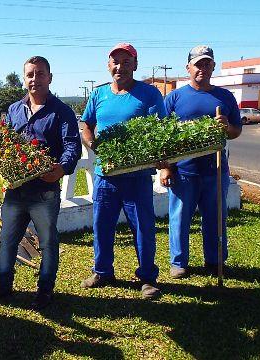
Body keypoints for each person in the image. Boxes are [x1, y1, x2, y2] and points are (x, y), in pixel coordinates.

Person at [0, 56, 81, 310]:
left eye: (40, 74)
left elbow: (72, 147)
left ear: (50, 77)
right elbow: (4, 143)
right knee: (8, 240)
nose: (35, 79)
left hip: (44, 191)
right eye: (30, 75)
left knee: (47, 242)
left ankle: (45, 291)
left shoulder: (62, 111)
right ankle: (3, 286)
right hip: (15, 190)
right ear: (24, 80)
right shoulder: (14, 109)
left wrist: (61, 169)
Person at [79, 43, 166, 300]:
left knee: (143, 228)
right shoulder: (99, 95)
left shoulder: (149, 95)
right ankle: (102, 271)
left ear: (135, 65)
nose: (120, 66)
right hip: (106, 176)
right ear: (108, 66)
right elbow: (87, 123)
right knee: (102, 226)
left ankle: (148, 278)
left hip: (137, 177)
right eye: (115, 61)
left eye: (126, 61)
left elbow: (158, 129)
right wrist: (91, 142)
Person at [160, 45, 242, 279]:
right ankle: (178, 262)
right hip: (183, 172)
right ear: (188, 68)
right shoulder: (175, 98)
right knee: (179, 219)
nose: (202, 69)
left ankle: (215, 260)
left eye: (207, 64)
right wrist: (166, 167)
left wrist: (226, 126)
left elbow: (236, 131)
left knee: (216, 219)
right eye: (198, 64)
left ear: (213, 66)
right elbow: (163, 135)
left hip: (215, 171)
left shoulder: (224, 97)